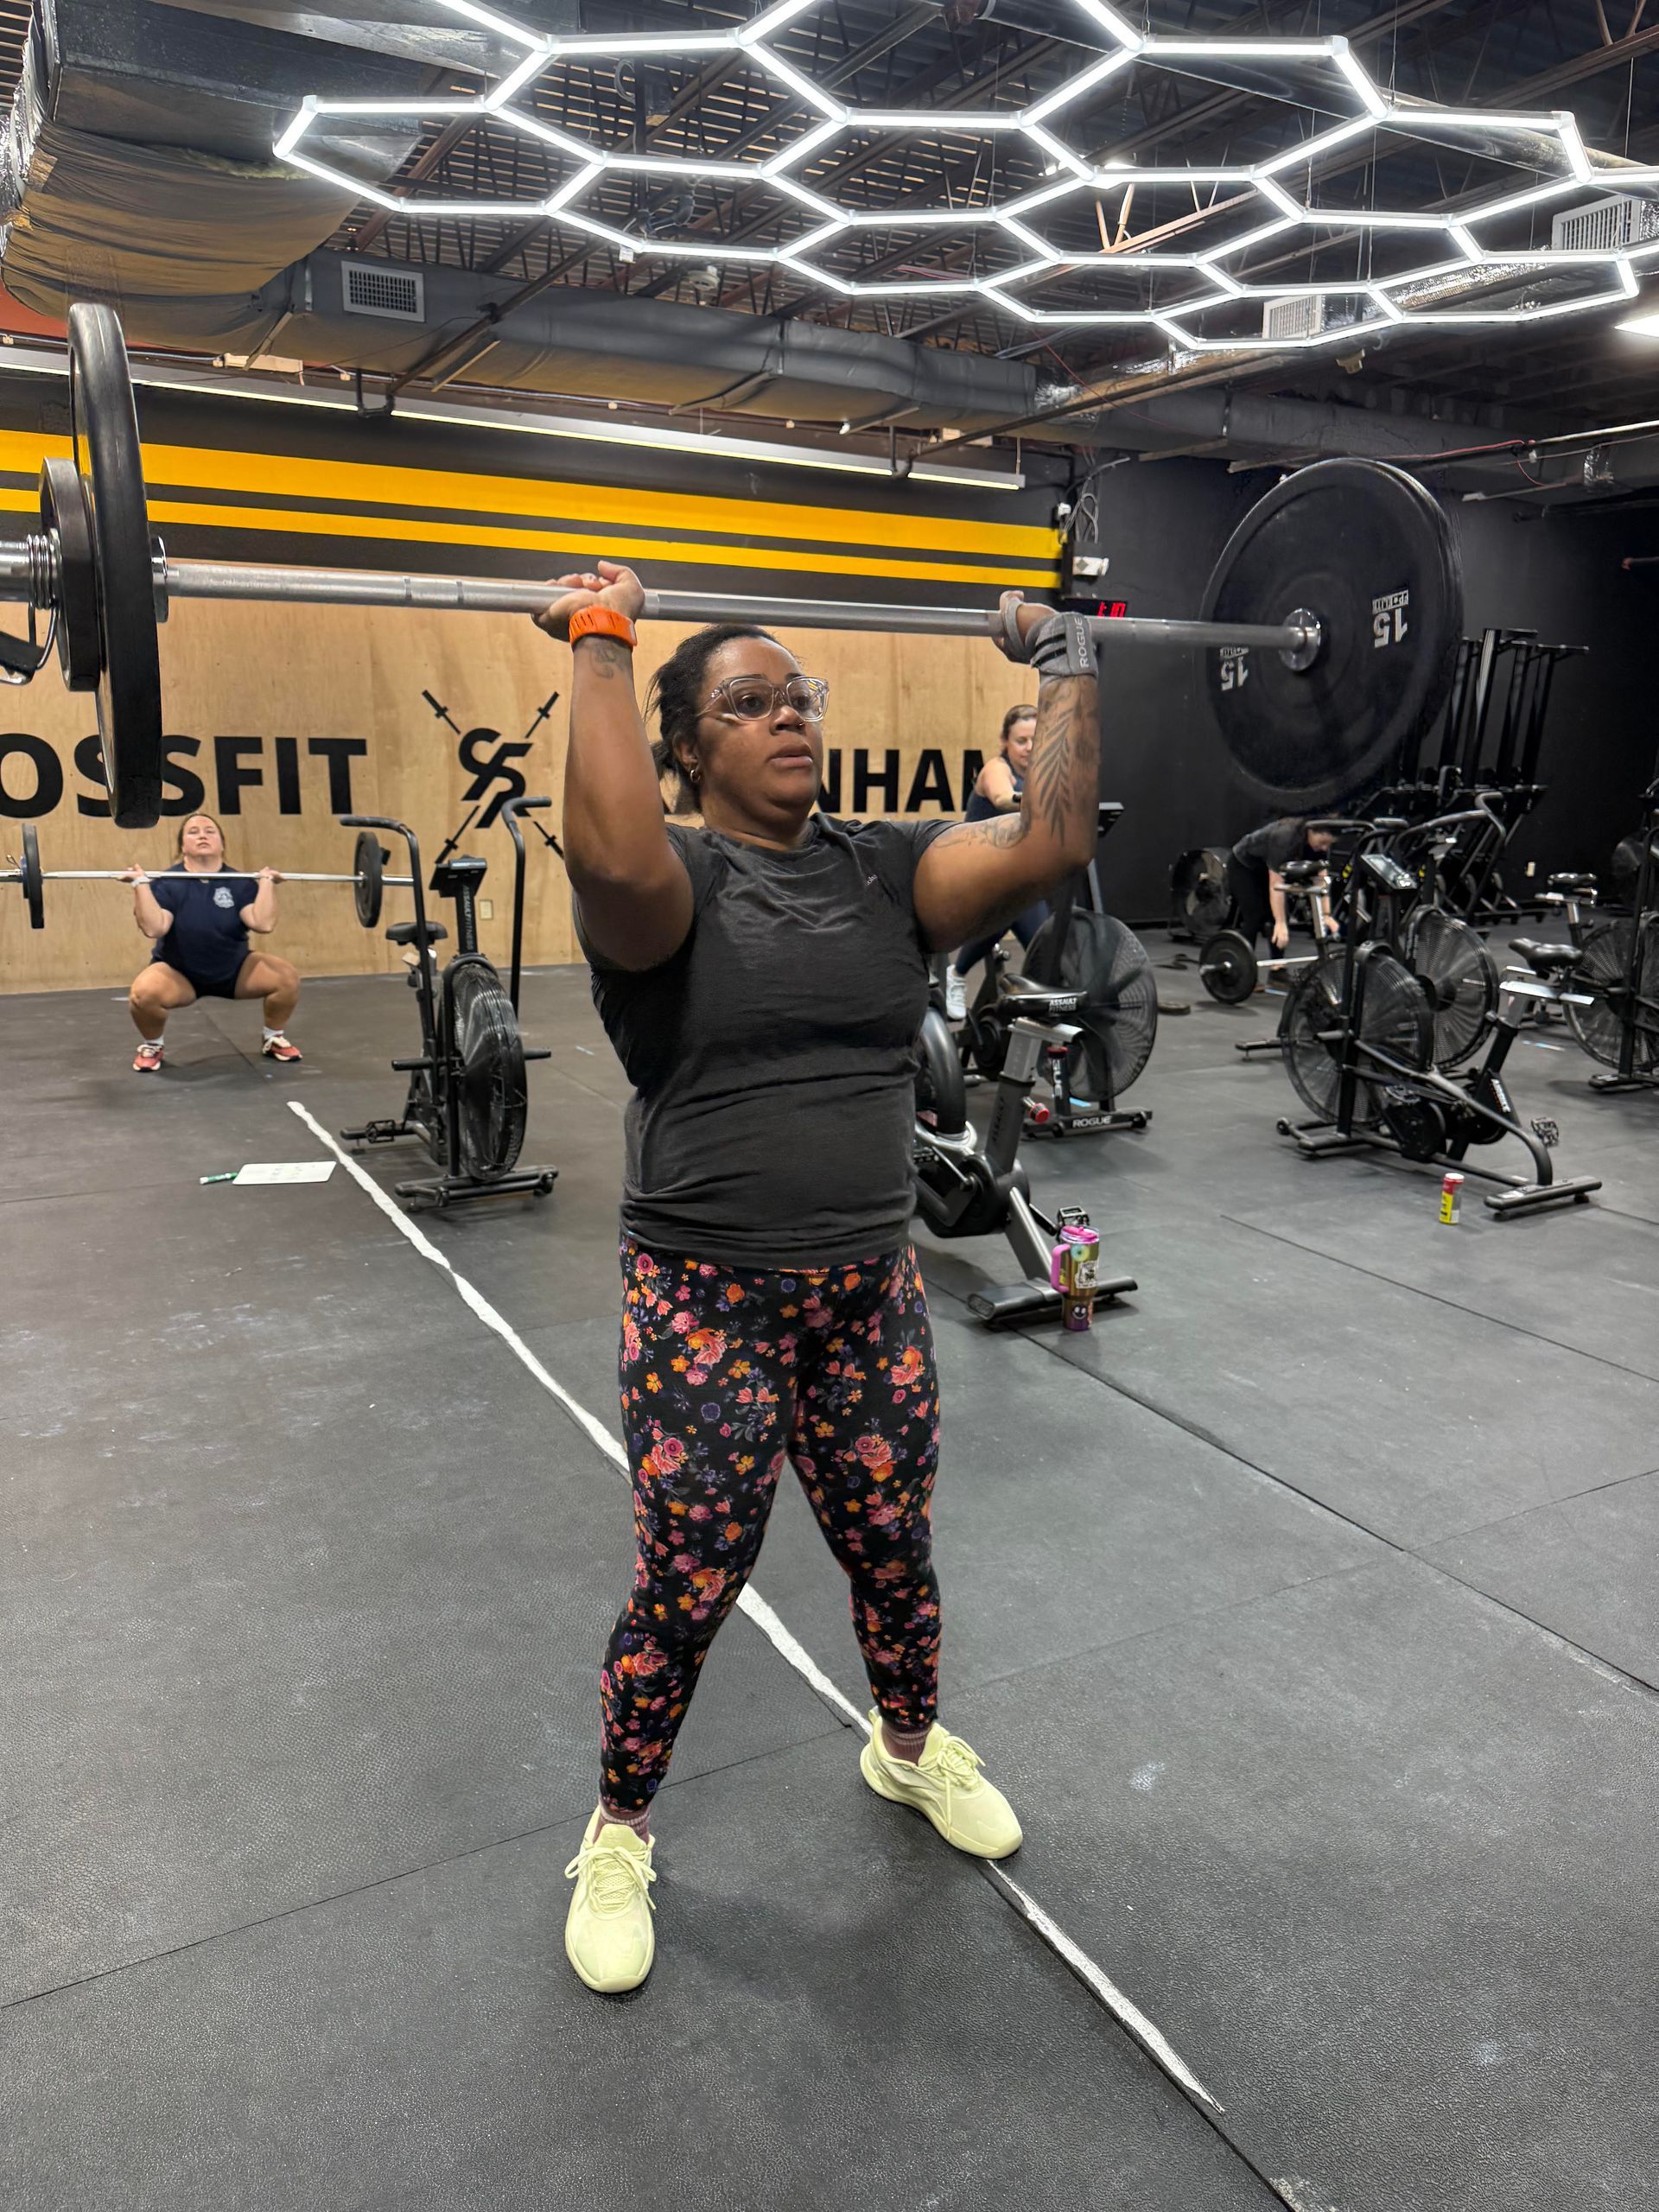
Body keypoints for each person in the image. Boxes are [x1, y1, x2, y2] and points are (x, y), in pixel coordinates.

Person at [537, 562, 1101, 1995]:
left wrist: (1073, 657)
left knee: (893, 1549)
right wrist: (602, 644)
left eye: (801, 695)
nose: (790, 715)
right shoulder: (669, 888)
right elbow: (600, 853)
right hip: (704, 1302)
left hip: (867, 1293)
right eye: (748, 700)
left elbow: (1049, 841)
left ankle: (906, 1750)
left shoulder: (883, 865)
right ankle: (619, 1830)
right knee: (688, 1584)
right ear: (691, 749)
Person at [124, 813, 303, 1071]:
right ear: (183, 846)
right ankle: (153, 1044)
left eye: (210, 831)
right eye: (193, 832)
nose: (202, 835)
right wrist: (140, 885)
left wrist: (266, 884)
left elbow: (262, 923)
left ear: (221, 844)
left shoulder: (239, 882)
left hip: (235, 971)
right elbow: (155, 927)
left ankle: (273, 1037)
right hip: (179, 974)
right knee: (143, 994)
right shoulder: (167, 883)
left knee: (286, 977)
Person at [941, 701, 1045, 1020]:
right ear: (1005, 742)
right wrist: (1046, 800)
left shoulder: (1043, 775)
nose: (1029, 748)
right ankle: (956, 975)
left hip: (1013, 874)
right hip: (974, 872)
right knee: (1012, 904)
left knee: (1045, 937)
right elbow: (1002, 798)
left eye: (1035, 740)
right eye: (1020, 741)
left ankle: (1046, 995)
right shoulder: (997, 769)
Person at [1226, 815, 1338, 959]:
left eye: (1328, 845)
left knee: (1280, 917)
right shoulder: (1285, 837)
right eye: (1323, 842)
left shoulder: (1319, 846)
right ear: (1311, 831)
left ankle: (1277, 971)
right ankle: (1240, 970)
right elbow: (1276, 885)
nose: (1324, 848)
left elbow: (1321, 879)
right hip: (1244, 866)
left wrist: (1326, 915)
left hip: (1268, 868)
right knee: (1255, 917)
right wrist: (1280, 923)